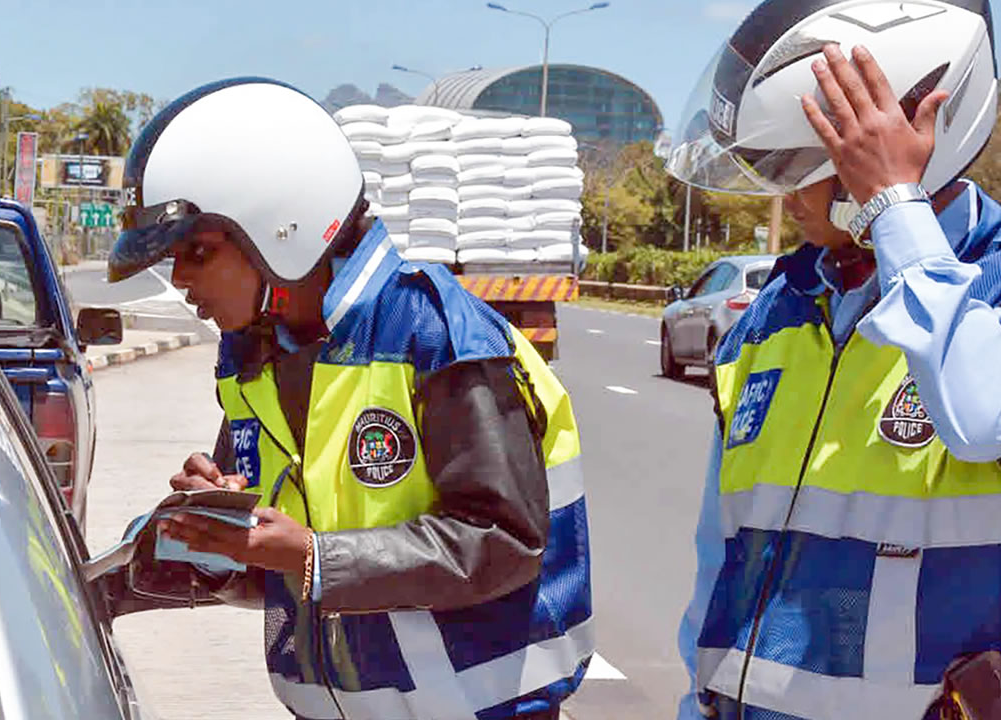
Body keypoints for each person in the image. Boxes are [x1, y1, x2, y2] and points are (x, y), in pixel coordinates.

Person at [106, 78, 593, 720]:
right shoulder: (253, 359)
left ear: (282, 227)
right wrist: (221, 533)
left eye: (196, 251)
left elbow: (503, 541)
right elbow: (277, 561)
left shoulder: (439, 340)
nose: (181, 281)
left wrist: (313, 555)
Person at [667, 0, 1001, 717]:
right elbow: (718, 555)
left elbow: (982, 414)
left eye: (802, 162)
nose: (784, 194)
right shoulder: (776, 309)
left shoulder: (990, 288)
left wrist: (894, 208)